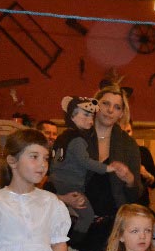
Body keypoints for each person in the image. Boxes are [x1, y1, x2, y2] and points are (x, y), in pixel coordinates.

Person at [69, 85, 143, 251]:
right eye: (106, 104)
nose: (110, 110)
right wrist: (65, 199)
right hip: (74, 221)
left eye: (117, 107)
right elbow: (56, 176)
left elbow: (135, 194)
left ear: (121, 113)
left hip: (110, 227)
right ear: (95, 105)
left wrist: (130, 179)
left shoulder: (129, 145)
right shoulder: (74, 137)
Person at [49, 96, 116, 240]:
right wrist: (107, 168)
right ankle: (74, 244)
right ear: (72, 116)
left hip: (57, 183)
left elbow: (54, 161)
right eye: (85, 115)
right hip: (71, 185)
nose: (90, 120)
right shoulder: (78, 140)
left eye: (91, 116)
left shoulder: (63, 137)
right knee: (87, 216)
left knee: (61, 216)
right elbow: (85, 161)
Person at [121, 120, 155, 208]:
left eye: (128, 131)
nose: (126, 135)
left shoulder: (143, 152)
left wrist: (147, 175)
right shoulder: (110, 153)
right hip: (118, 205)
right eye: (122, 132)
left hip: (140, 204)